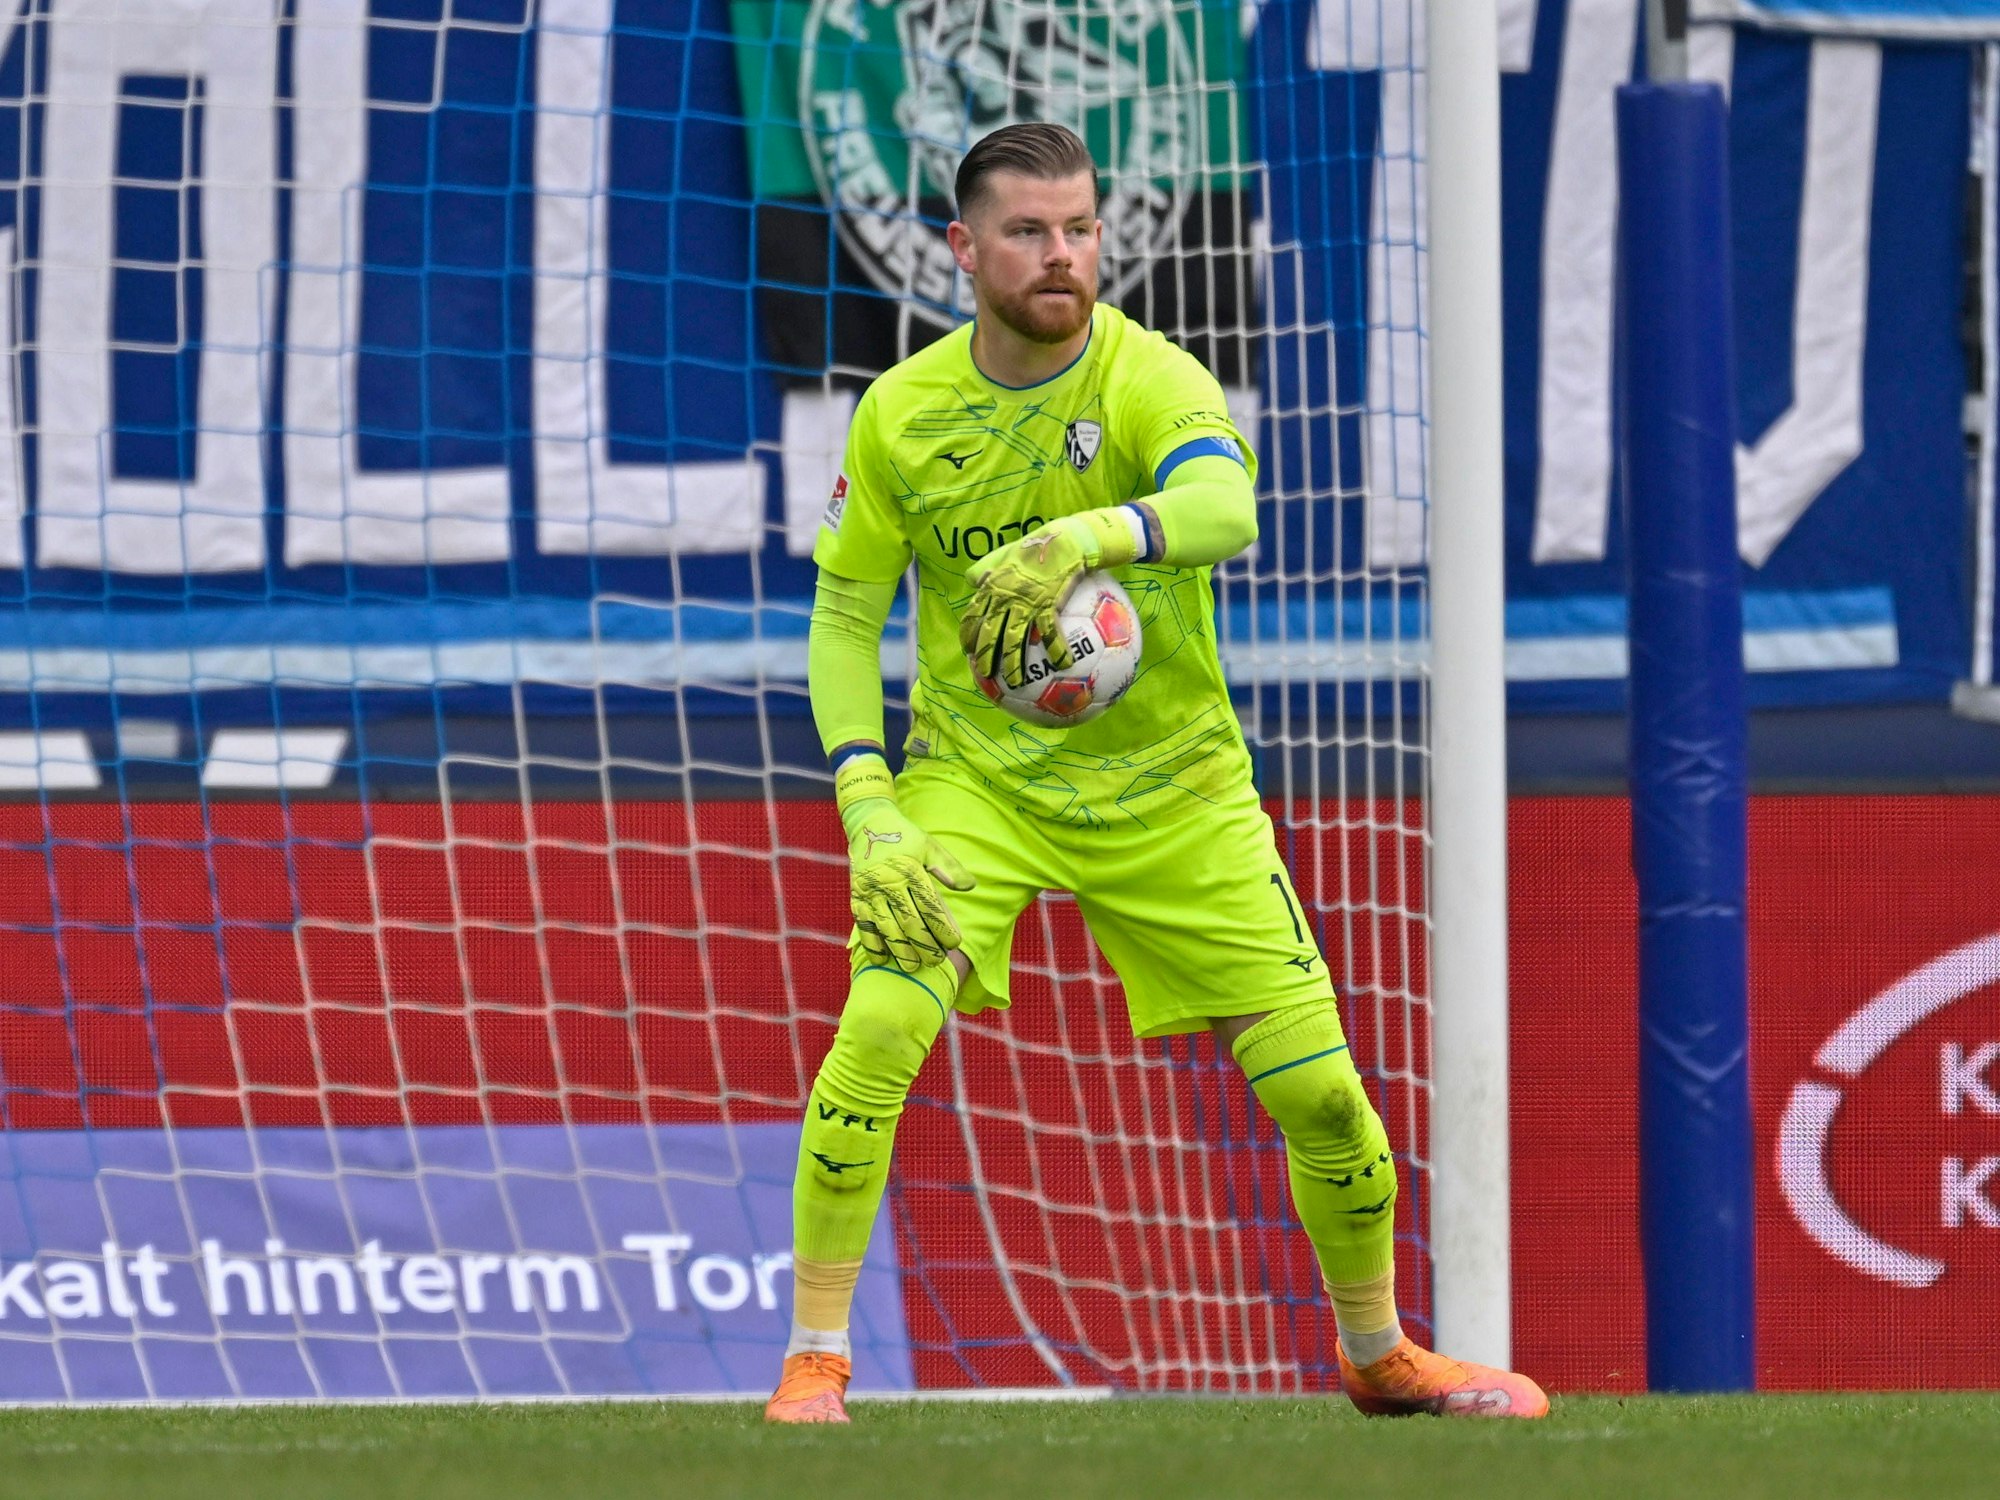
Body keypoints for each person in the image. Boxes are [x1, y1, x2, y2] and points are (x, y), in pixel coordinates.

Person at [765, 121, 1546, 1424]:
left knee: (1325, 1098)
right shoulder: (901, 411)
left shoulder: (1150, 375)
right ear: (962, 249)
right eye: (1027, 231)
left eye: (1079, 228)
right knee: (881, 1027)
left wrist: (1083, 537)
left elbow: (1228, 508)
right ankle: (815, 1359)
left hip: (1178, 786)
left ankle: (1378, 1353)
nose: (1061, 255)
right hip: (978, 783)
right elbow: (847, 619)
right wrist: (868, 803)